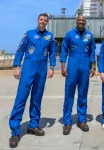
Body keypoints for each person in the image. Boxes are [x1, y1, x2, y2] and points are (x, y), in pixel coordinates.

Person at [8, 13, 56, 148]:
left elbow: (52, 52)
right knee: (21, 99)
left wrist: (52, 67)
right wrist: (17, 66)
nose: (43, 21)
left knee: (36, 98)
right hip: (28, 67)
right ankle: (15, 132)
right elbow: (20, 50)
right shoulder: (28, 34)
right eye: (41, 19)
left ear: (47, 22)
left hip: (42, 69)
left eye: (45, 20)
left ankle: (33, 125)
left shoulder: (49, 36)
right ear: (38, 20)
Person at [60, 15, 96, 135]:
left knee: (83, 94)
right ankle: (67, 122)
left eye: (83, 21)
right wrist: (63, 65)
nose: (81, 22)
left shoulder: (89, 36)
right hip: (72, 65)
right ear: (76, 21)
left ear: (85, 22)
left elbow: (92, 52)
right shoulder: (69, 34)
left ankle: (81, 120)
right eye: (79, 20)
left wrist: (93, 66)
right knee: (69, 93)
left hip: (85, 66)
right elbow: (64, 50)